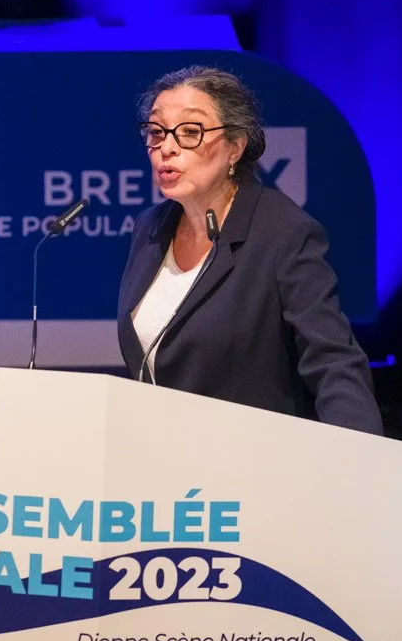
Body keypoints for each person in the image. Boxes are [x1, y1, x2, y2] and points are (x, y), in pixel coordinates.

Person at [118, 66, 384, 434]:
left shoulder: (282, 232)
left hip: (252, 467)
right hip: (164, 464)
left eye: (191, 132)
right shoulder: (151, 228)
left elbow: (333, 361)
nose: (166, 147)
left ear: (235, 148)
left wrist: (362, 459)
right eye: (156, 132)